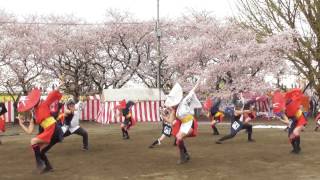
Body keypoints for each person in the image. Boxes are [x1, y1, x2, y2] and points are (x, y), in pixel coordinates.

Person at [17, 87, 63, 174]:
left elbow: (51, 95)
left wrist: (59, 85)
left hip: (54, 129)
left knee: (34, 141)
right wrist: (21, 124)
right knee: (40, 150)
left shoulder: (44, 104)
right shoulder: (34, 113)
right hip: (49, 131)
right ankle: (48, 167)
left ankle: (40, 163)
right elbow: (29, 131)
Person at [162, 82, 201, 164]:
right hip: (184, 124)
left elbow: (192, 91)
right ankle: (185, 155)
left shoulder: (184, 101)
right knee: (178, 139)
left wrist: (198, 82)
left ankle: (184, 156)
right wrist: (164, 117)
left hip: (190, 122)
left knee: (179, 138)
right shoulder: (174, 110)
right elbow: (171, 121)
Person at [275, 88, 307, 154]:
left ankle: (297, 148)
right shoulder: (281, 106)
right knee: (290, 136)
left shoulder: (292, 97)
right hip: (291, 119)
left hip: (299, 117)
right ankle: (295, 148)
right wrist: (281, 119)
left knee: (295, 132)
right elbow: (287, 121)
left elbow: (298, 91)